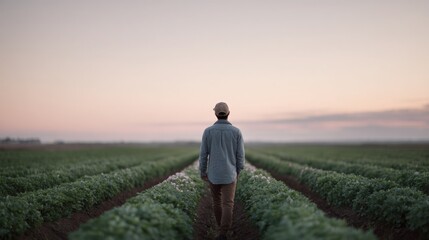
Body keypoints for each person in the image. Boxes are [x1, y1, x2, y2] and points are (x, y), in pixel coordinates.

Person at [199, 102, 245, 240]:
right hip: (230, 174)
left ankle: (220, 228)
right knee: (228, 204)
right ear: (229, 114)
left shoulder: (208, 131)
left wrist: (203, 171)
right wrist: (238, 170)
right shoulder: (236, 132)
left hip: (213, 174)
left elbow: (203, 154)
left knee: (217, 202)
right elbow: (240, 155)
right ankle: (223, 233)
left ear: (215, 114)